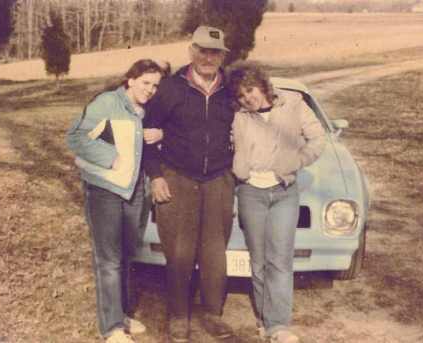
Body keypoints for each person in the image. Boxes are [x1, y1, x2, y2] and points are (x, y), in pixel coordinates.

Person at [143, 26, 235, 342]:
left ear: (223, 55)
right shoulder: (170, 89)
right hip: (177, 177)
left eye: (215, 52)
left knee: (214, 253)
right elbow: (147, 134)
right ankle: (178, 316)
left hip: (219, 180)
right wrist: (155, 175)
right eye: (203, 50)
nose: (208, 57)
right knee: (180, 253)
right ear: (191, 51)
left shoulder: (231, 89)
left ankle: (212, 313)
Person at [67, 59, 164, 343]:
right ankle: (111, 329)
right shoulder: (107, 103)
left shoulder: (146, 109)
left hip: (134, 192)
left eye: (155, 85)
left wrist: (161, 133)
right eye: (146, 83)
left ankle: (120, 316)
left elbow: (151, 140)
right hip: (104, 191)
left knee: (125, 255)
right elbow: (75, 137)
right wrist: (111, 159)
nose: (150, 90)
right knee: (109, 260)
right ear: (130, 80)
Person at [227, 62, 326, 343]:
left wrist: (299, 160)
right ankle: (264, 320)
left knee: (280, 260)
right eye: (242, 95)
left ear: (262, 85)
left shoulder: (293, 104)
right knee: (258, 261)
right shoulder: (239, 116)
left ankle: (278, 325)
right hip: (250, 193)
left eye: (250, 90)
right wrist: (238, 169)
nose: (248, 98)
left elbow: (318, 139)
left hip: (284, 192)